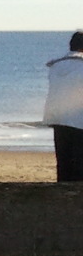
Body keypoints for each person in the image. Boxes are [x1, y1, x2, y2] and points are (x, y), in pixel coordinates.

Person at [42, 31, 83, 182]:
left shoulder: (56, 65)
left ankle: (62, 191)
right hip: (79, 120)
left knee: (63, 160)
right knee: (79, 163)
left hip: (58, 116)